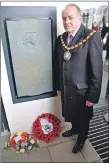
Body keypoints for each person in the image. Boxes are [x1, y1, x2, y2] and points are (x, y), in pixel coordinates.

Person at [55, 3, 103, 154]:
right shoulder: (61, 38)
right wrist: (58, 85)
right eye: (64, 18)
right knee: (71, 112)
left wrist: (93, 96)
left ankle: (82, 138)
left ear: (80, 18)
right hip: (66, 86)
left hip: (83, 91)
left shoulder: (91, 36)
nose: (66, 21)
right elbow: (57, 64)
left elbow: (97, 70)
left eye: (70, 17)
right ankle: (74, 130)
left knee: (83, 117)